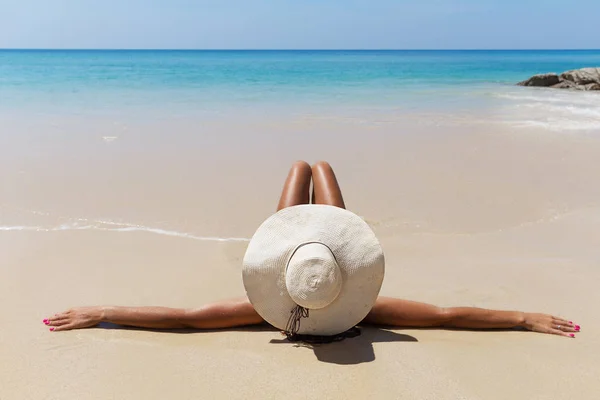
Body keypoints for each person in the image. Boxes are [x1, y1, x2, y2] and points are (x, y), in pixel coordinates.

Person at [43, 161, 580, 339]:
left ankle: (307, 168)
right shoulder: (369, 311)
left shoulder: (264, 312)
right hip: (316, 264)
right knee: (319, 184)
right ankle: (314, 169)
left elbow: (185, 320)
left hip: (303, 262)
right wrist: (523, 318)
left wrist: (106, 311)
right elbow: (447, 316)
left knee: (303, 184)